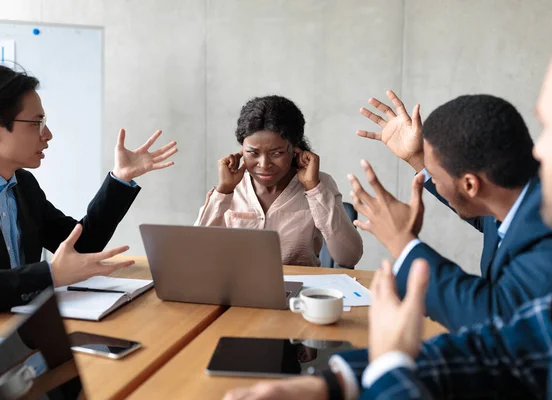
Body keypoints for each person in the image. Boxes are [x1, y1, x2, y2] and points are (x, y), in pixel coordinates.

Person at [222, 61, 552, 400]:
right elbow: (500, 349)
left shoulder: (544, 235)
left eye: (547, 128)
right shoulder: (517, 208)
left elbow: (496, 326)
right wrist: (332, 382)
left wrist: (403, 244)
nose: (538, 151)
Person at [0, 65, 178, 316]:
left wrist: (120, 179)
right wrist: (47, 275)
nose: (47, 134)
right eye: (36, 123)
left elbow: (81, 245)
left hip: (22, 327)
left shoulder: (23, 185)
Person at [347, 91, 552, 331]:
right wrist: (417, 158)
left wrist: (402, 241)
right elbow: (479, 207)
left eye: (434, 176)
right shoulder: (514, 197)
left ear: (470, 184)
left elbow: (496, 317)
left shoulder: (545, 232)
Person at [195, 95, 362, 268]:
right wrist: (223, 192)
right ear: (241, 151)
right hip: (237, 291)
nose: (264, 164)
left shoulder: (319, 183)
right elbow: (194, 253)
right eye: (253, 153)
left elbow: (348, 258)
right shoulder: (231, 186)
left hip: (297, 290)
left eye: (277, 153)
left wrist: (314, 189)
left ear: (295, 149)